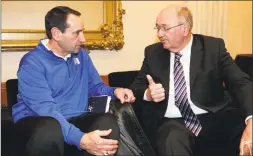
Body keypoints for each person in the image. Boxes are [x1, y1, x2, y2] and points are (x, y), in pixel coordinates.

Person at [12, 6, 136, 156]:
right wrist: (81, 139)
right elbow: (46, 110)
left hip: (74, 118)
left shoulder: (81, 55)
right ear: (56, 34)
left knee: (107, 123)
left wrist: (115, 91)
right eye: (77, 33)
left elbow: (94, 87)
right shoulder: (32, 63)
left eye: (82, 31)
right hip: (39, 121)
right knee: (50, 128)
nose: (83, 39)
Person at [130, 4, 252, 156]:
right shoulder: (153, 53)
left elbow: (240, 82)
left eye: (165, 28)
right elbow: (136, 86)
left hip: (213, 116)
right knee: (172, 138)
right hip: (173, 121)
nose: (160, 33)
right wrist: (148, 93)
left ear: (185, 28)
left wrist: (251, 120)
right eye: (157, 28)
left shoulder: (213, 48)